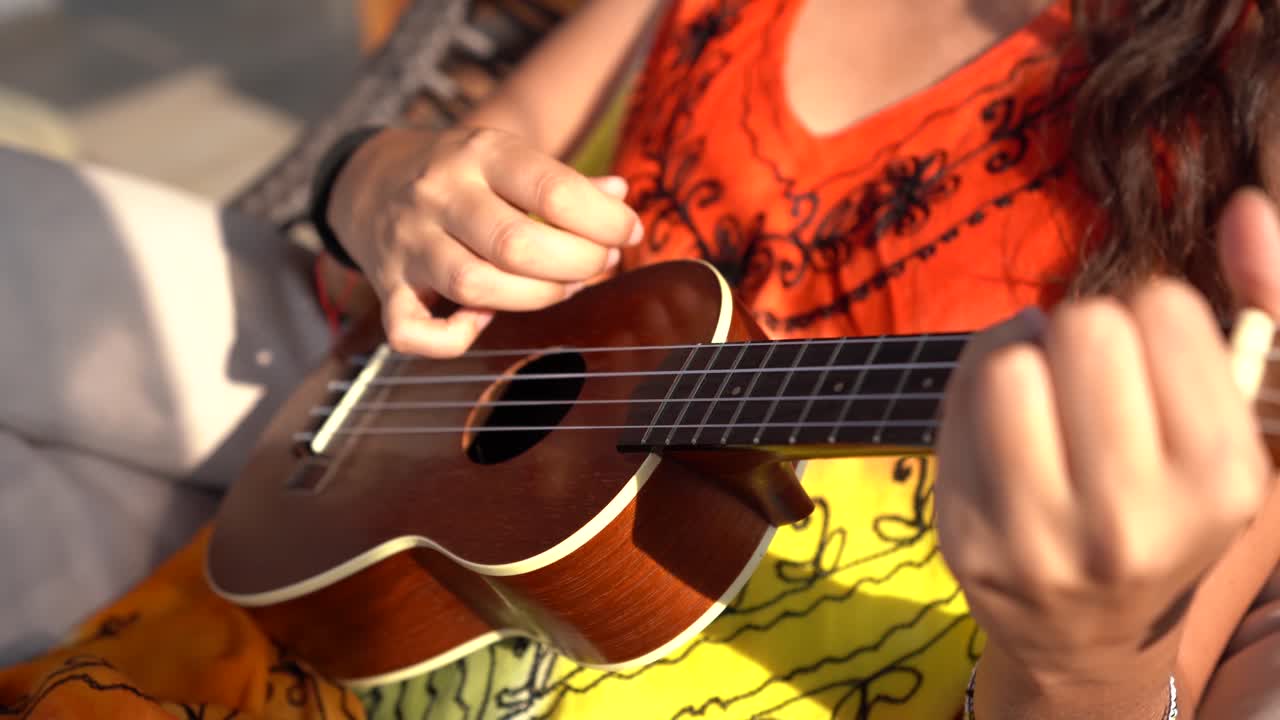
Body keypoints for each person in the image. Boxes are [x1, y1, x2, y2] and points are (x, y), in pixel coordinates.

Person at [3, 0, 1280, 718]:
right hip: (393, 460)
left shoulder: (1245, 101)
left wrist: (1076, 659)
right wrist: (378, 185)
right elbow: (432, 176)